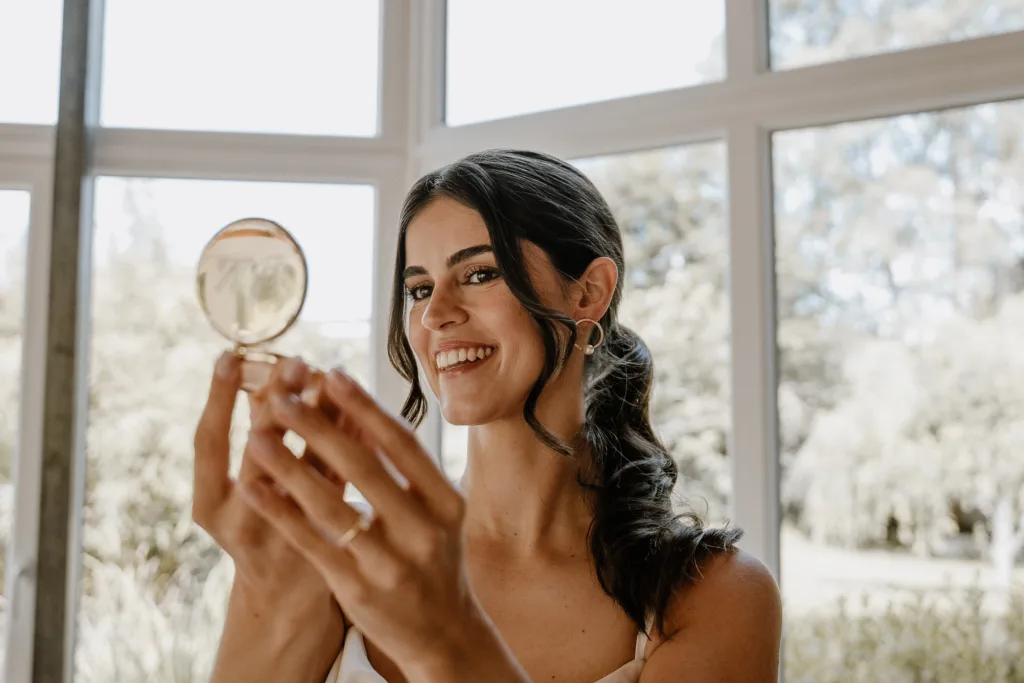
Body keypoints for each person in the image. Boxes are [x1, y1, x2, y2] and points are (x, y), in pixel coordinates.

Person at [193, 149, 783, 683]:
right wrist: (265, 593)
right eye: (419, 289)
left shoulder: (712, 597)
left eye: (480, 274)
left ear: (589, 293)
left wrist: (448, 641)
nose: (435, 316)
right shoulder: (346, 558)